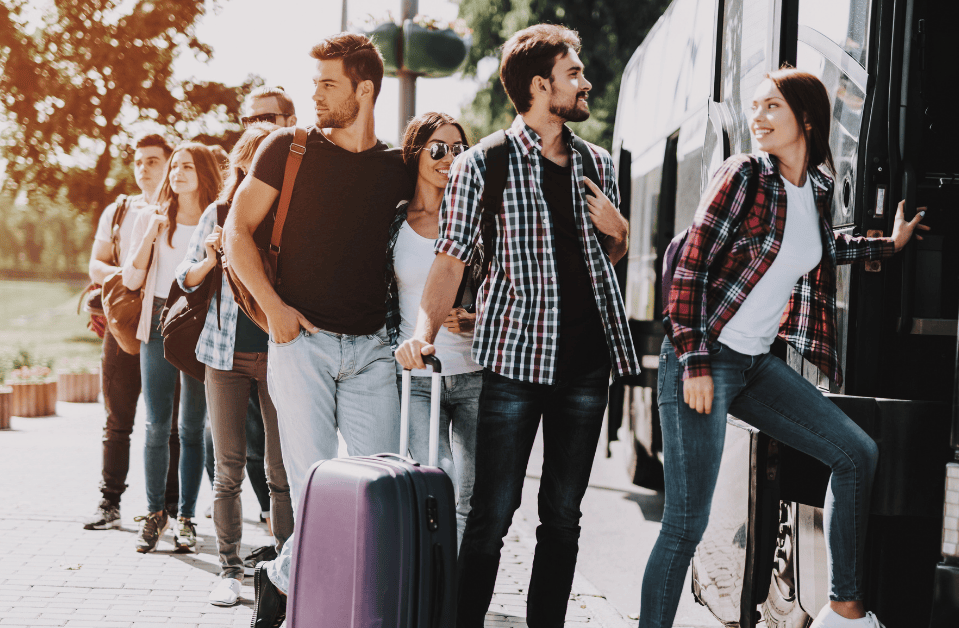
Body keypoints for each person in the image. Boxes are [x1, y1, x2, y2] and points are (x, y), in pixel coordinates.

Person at [637, 68, 929, 628]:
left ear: (807, 118)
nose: (758, 117)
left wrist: (887, 246)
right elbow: (690, 269)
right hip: (703, 358)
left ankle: (844, 610)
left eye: (772, 106)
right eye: (755, 106)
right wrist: (694, 364)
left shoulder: (815, 188)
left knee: (855, 453)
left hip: (753, 365)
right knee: (685, 524)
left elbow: (817, 247)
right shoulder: (743, 175)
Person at [395, 24, 639, 628]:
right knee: (491, 516)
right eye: (574, 73)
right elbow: (449, 260)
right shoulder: (483, 163)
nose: (586, 83)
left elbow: (602, 258)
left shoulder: (597, 163)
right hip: (515, 367)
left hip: (586, 367)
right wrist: (424, 333)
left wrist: (620, 233)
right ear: (539, 86)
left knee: (563, 518)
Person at [223, 33, 413, 628]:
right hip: (301, 345)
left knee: (378, 495)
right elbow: (235, 232)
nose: (316, 96)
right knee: (313, 497)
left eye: (328, 84)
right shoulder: (287, 149)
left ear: (365, 89)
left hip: (372, 353)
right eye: (315, 84)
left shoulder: (396, 169)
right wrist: (275, 309)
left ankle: (279, 577)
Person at [176, 124, 294, 607]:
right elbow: (185, 278)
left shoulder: (292, 213)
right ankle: (229, 569)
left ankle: (286, 571)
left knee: (280, 471)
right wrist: (209, 258)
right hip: (224, 356)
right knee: (227, 469)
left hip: (280, 354)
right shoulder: (219, 213)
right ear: (243, 163)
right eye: (254, 157)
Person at [122, 142, 223, 554]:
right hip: (158, 317)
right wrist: (150, 233)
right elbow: (131, 280)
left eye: (187, 167)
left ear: (204, 173)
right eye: (175, 166)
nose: (177, 173)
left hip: (197, 323)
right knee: (156, 424)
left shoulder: (217, 218)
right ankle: (154, 514)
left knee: (192, 427)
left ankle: (186, 517)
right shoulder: (153, 217)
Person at [389, 112, 481, 550]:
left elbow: (509, 285)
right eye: (438, 149)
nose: (450, 158)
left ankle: (453, 586)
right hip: (418, 377)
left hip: (475, 372)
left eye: (459, 149)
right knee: (437, 477)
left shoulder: (479, 220)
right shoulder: (393, 223)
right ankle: (434, 573)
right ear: (416, 153)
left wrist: (478, 317)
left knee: (470, 495)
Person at [83, 134, 185, 531]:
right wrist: (132, 279)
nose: (143, 168)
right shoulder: (120, 210)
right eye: (139, 161)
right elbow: (96, 265)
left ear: (170, 163)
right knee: (118, 418)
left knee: (172, 424)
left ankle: (173, 511)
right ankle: (109, 503)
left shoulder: (187, 209)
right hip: (124, 327)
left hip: (169, 327)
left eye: (153, 161)